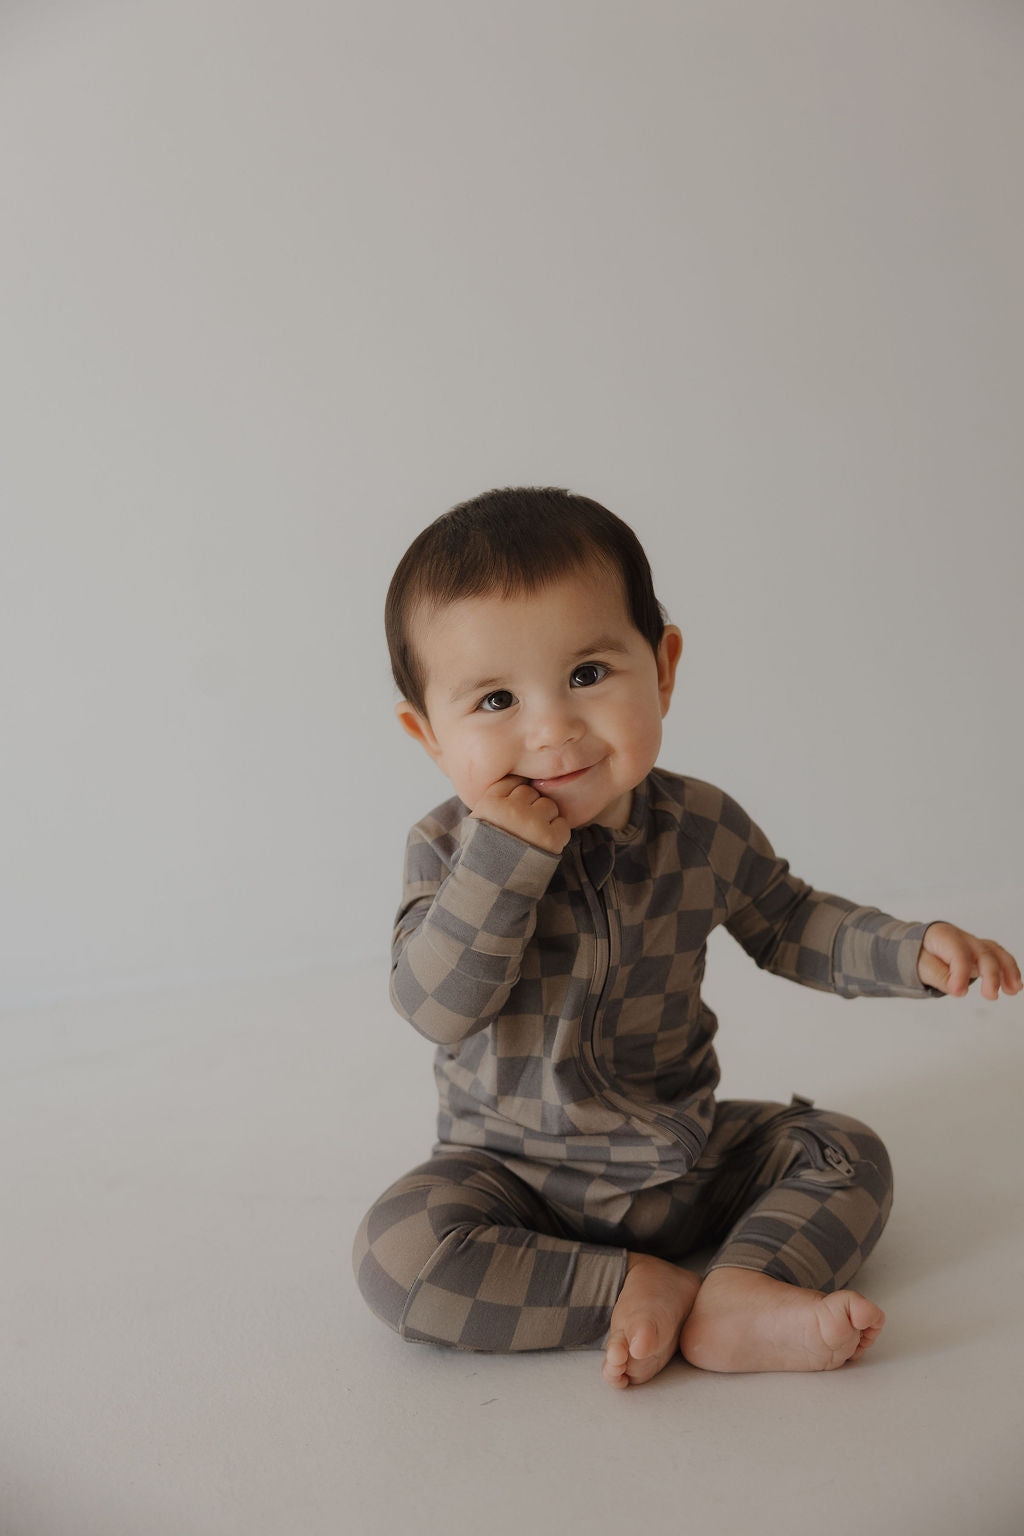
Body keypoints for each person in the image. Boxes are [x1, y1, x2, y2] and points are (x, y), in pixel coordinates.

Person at [352, 486, 1021, 1389]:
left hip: (686, 1157)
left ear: (662, 667)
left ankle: (744, 1289)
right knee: (397, 1252)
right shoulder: (445, 849)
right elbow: (435, 1006)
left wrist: (909, 948)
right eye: (498, 700)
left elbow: (788, 922)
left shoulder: (698, 826)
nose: (551, 729)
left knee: (843, 1151)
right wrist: (502, 862)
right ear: (430, 736)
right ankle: (627, 1287)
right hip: (514, 1181)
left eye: (588, 674)